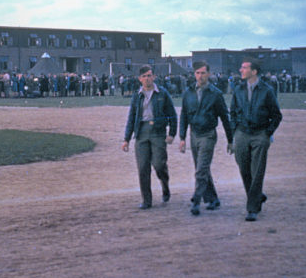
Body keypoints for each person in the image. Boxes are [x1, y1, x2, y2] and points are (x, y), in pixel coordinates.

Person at [230, 58, 283, 221]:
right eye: (241, 67)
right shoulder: (238, 89)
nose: (241, 70)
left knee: (257, 171)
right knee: (244, 169)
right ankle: (257, 195)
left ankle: (252, 208)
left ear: (254, 72)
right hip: (242, 133)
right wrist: (235, 131)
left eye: (244, 67)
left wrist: (267, 133)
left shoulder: (267, 90)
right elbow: (232, 113)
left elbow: (276, 115)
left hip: (260, 134)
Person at [179, 61, 233, 216]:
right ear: (194, 74)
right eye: (197, 73)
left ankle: (196, 201)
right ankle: (213, 199)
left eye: (203, 73)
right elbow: (183, 115)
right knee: (202, 168)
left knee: (201, 169)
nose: (200, 76)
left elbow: (224, 117)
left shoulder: (215, 94)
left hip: (208, 135)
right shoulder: (188, 92)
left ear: (209, 74)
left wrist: (230, 140)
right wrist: (182, 137)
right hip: (193, 134)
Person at [121, 65, 177, 209]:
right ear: (140, 79)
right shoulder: (137, 95)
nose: (147, 78)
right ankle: (147, 200)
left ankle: (165, 185)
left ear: (154, 77)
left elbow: (172, 115)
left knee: (159, 164)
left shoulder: (162, 93)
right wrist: (126, 139)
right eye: (144, 76)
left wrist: (172, 134)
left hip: (158, 132)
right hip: (141, 133)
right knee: (143, 168)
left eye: (149, 75)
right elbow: (131, 118)